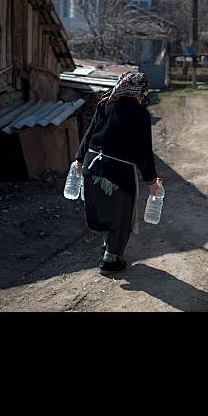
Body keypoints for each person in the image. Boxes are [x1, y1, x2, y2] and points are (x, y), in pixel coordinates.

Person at [74, 71, 160, 274]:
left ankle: (107, 247)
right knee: (121, 216)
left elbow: (89, 133)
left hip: (92, 168)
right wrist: (151, 180)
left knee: (103, 212)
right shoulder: (140, 114)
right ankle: (110, 259)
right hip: (119, 173)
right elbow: (144, 151)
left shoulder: (105, 104)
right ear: (140, 91)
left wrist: (79, 159)